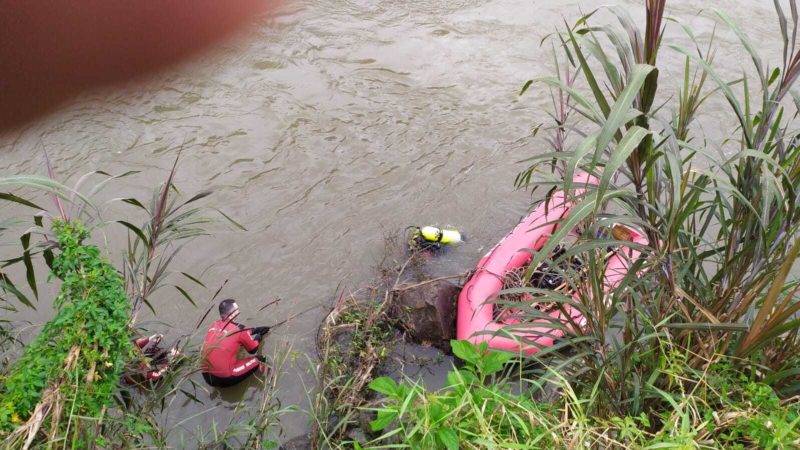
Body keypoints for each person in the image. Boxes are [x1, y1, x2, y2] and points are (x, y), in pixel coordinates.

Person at [201, 299, 270, 387]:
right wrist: (258, 337)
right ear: (234, 313)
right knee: (261, 358)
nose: (239, 311)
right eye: (237, 309)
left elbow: (234, 334)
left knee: (236, 343)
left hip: (206, 376)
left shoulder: (214, 325)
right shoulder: (240, 329)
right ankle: (267, 381)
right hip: (224, 379)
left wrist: (256, 330)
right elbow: (253, 349)